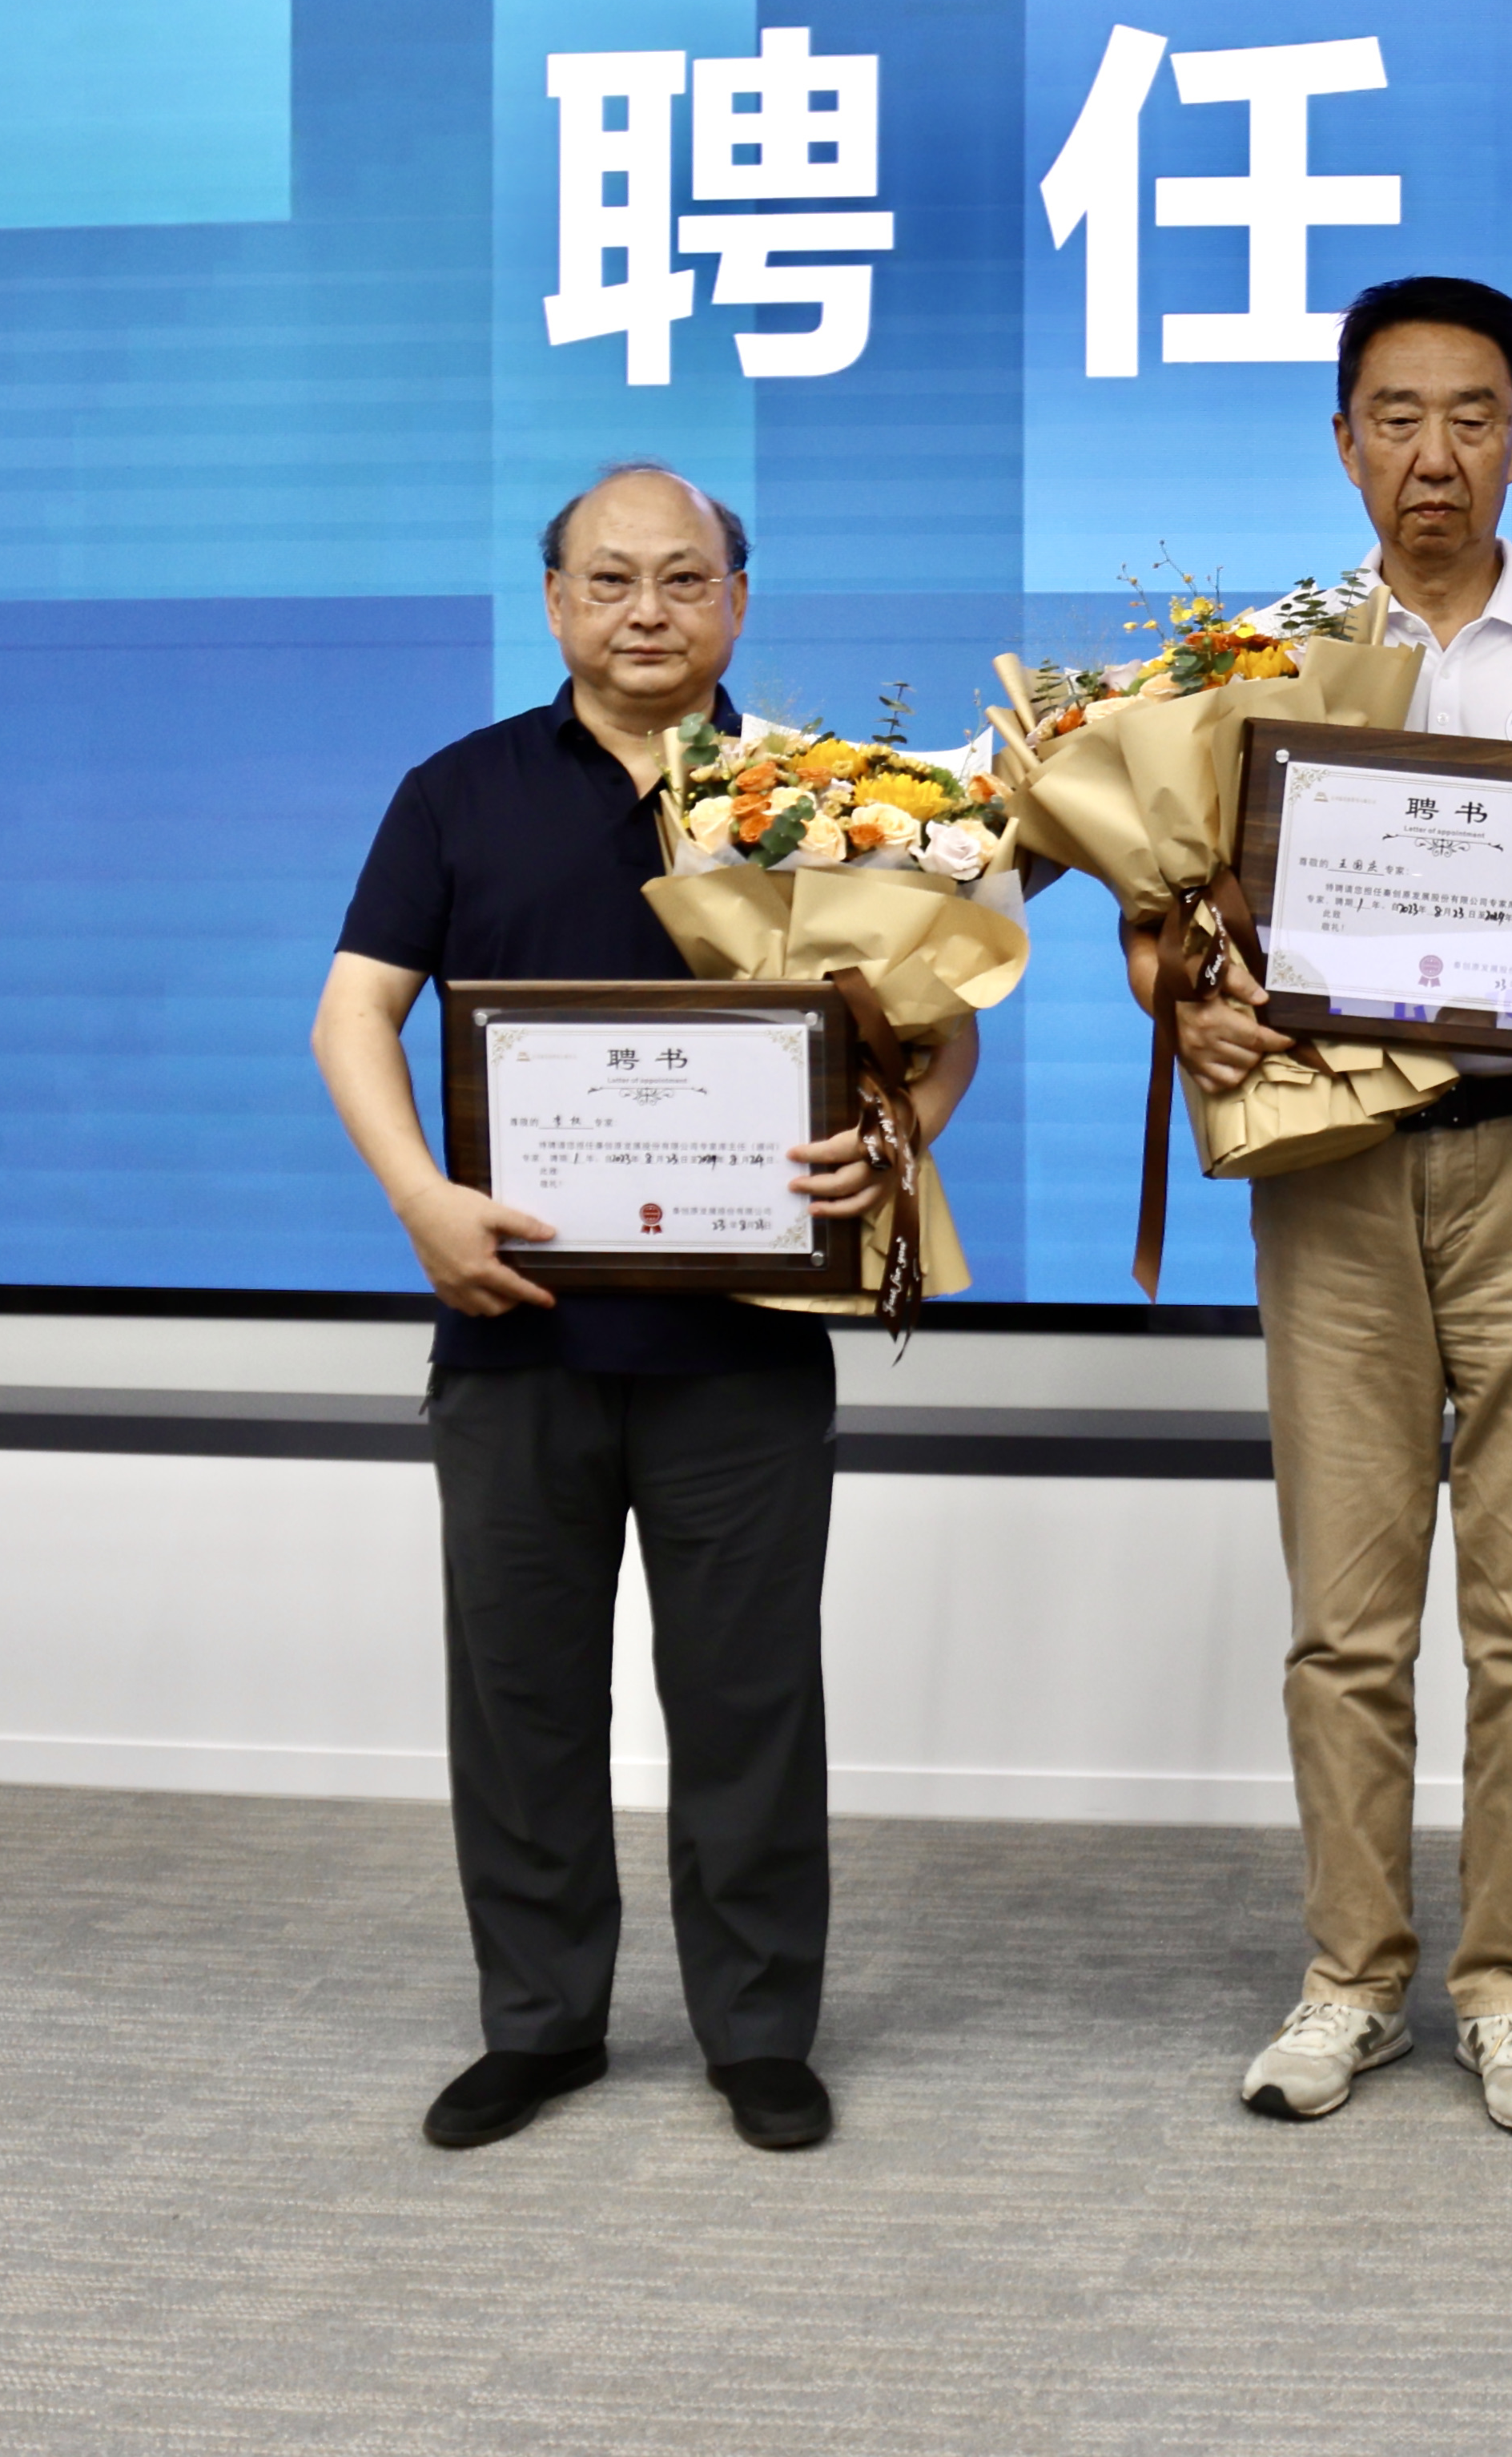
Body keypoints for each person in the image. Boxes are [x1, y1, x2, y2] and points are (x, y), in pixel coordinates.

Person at [310, 462, 979, 2155]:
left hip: (742, 1345)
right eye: (609, 580)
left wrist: (890, 1139)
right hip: (512, 1327)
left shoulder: (829, 798)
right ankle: (539, 2024)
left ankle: (758, 2029)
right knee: (520, 1699)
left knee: (749, 1702)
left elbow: (944, 1022)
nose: (646, 611)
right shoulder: (456, 792)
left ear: (736, 601)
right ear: (555, 602)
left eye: (684, 579)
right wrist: (420, 1198)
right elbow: (351, 1016)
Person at [1131, 276, 1512, 2133]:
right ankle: (1349, 1974)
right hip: (1335, 1175)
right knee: (1348, 1612)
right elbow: (1170, 913)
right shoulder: (1271, 653)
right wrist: (1185, 1000)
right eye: (1395, 415)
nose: (1432, 453)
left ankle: (1509, 1982)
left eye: (1470, 416)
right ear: (1341, 440)